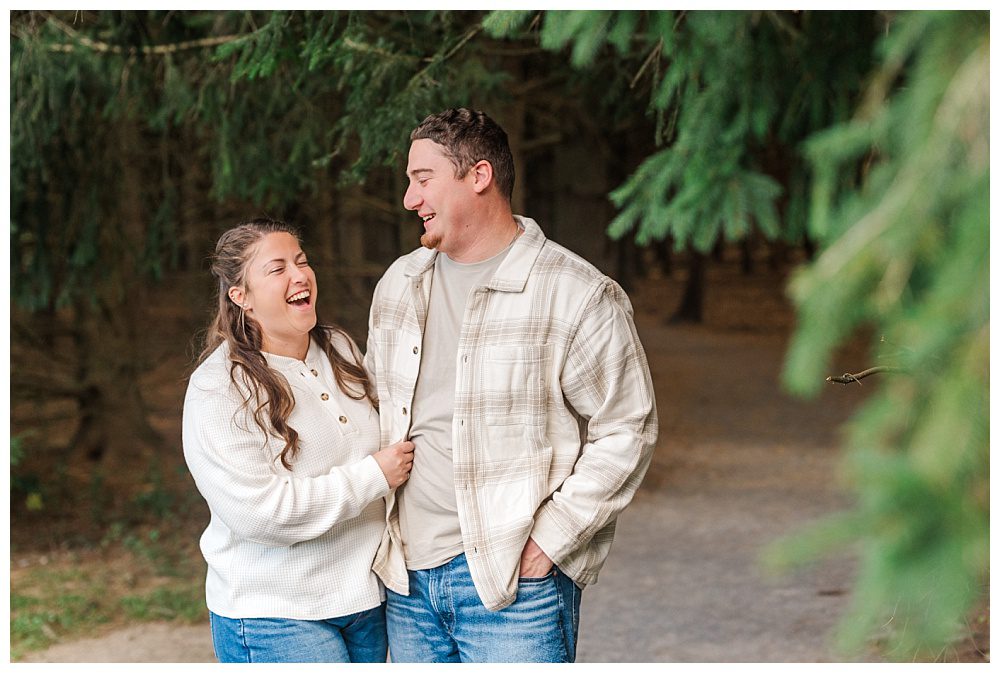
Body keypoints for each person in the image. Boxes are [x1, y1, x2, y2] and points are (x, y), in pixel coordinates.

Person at [365, 108, 658, 663]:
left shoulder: (576, 293)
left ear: (479, 177)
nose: (409, 199)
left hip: (514, 584)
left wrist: (552, 539)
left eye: (422, 180)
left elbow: (627, 428)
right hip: (405, 580)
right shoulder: (400, 283)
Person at [182, 218, 414, 663]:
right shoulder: (219, 388)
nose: (299, 274)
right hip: (276, 614)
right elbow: (261, 513)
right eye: (277, 268)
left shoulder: (340, 350)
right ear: (241, 297)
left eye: (302, 261)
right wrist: (372, 476)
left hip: (365, 601)